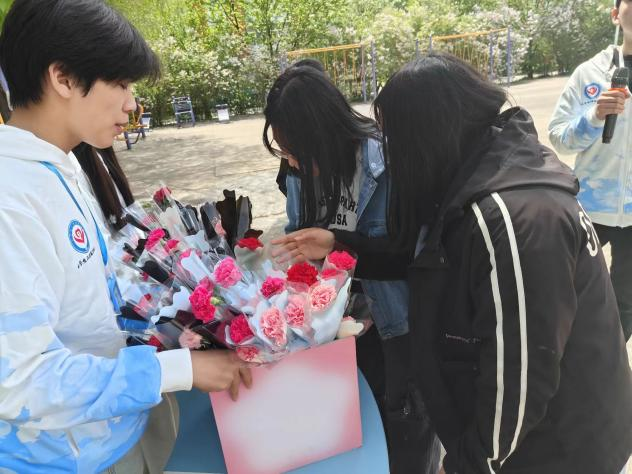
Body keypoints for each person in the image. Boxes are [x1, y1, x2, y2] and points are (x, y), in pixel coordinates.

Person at [282, 53, 632, 473]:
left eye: (397, 141)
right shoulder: (479, 181)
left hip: (557, 450)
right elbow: (419, 257)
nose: (394, 157)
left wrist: (469, 465)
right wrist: (340, 245)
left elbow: (520, 379)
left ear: (428, 135)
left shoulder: (511, 217)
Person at [0, 1, 250, 472]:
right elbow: (20, 381)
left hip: (114, 431)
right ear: (63, 78)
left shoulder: (63, 164)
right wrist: (177, 369)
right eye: (120, 83)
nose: (132, 103)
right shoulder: (10, 200)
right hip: (62, 458)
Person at [264, 65, 440, 474]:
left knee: (403, 432)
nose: (291, 161)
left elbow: (413, 257)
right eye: (285, 151)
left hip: (392, 324)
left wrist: (338, 244)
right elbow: (297, 234)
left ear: (323, 135)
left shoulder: (389, 162)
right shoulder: (296, 171)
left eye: (296, 150)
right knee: (346, 433)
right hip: (332, 327)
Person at [548, 0, 632, 341]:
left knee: (626, 302)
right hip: (589, 209)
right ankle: (565, 359)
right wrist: (594, 117)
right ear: (615, 15)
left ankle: (610, 361)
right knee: (566, 292)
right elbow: (559, 137)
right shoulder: (589, 73)